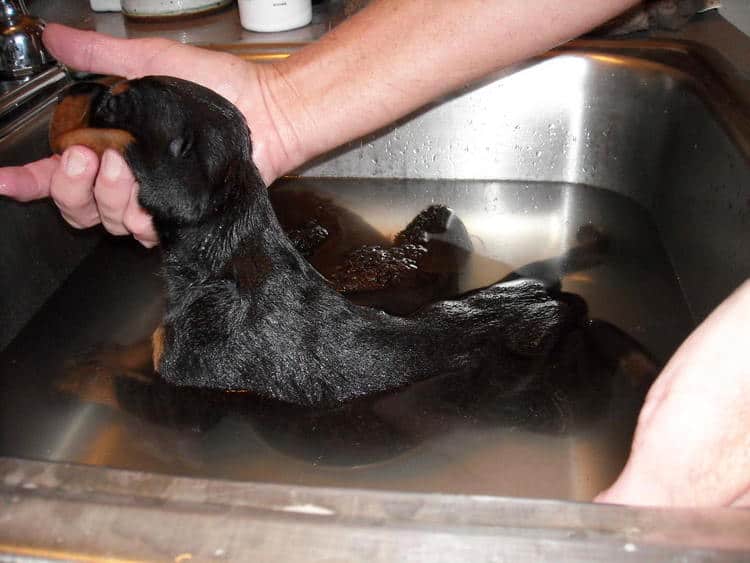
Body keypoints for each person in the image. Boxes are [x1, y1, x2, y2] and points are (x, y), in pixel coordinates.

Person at [0, 0, 747, 506]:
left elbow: (193, 406)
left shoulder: (214, 334)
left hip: (514, 361)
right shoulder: (235, 302)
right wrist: (282, 104)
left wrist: (112, 384)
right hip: (486, 339)